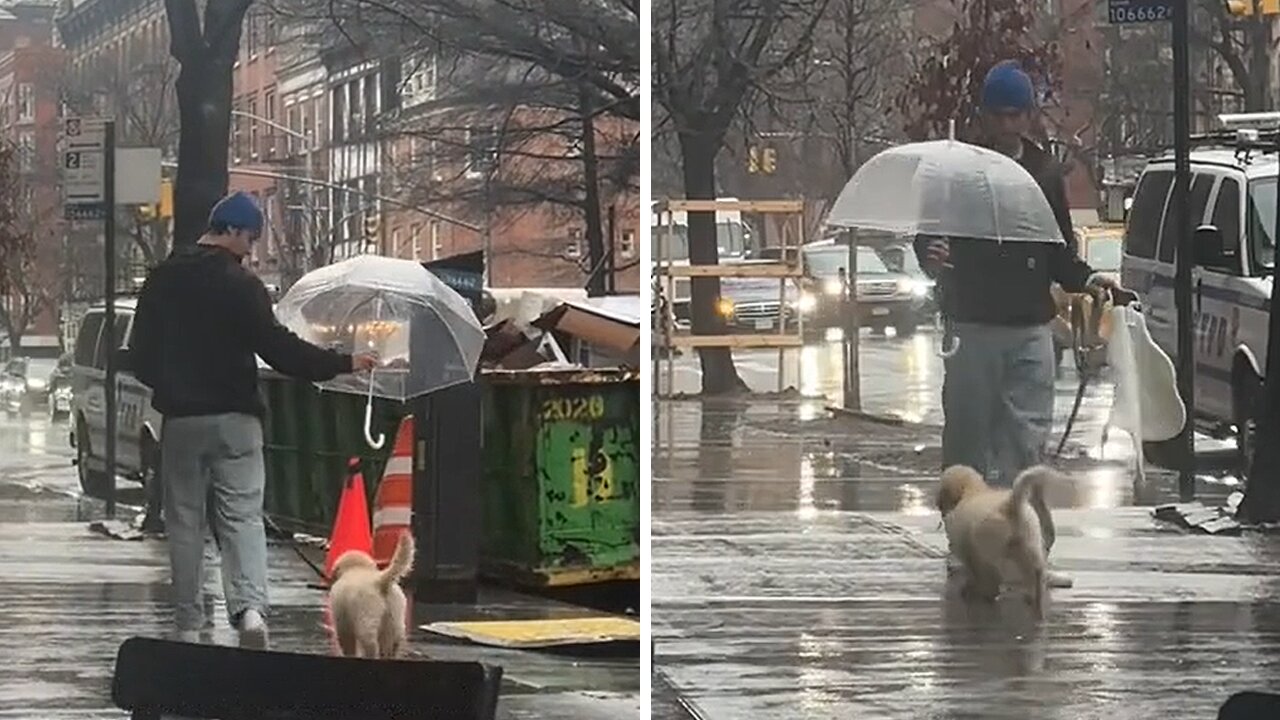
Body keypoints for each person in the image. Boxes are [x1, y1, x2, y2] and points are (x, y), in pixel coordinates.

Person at [130, 191, 377, 648]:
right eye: (251, 238)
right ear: (234, 230)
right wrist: (341, 363)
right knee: (242, 517)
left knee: (184, 522)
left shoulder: (162, 280)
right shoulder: (242, 287)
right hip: (237, 420)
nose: (252, 249)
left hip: (182, 421)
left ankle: (188, 622)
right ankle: (249, 614)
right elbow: (279, 349)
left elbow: (140, 354)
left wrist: (171, 384)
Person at [915, 61, 1128, 588]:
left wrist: (1090, 280)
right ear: (985, 116)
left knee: (1024, 445)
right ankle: (965, 546)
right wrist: (931, 255)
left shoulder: (1045, 173)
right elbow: (926, 236)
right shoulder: (956, 171)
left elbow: (1058, 250)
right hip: (972, 322)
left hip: (1030, 323)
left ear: (1029, 115)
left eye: (1017, 114)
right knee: (968, 440)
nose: (1008, 124)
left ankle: (1031, 552)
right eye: (999, 114)